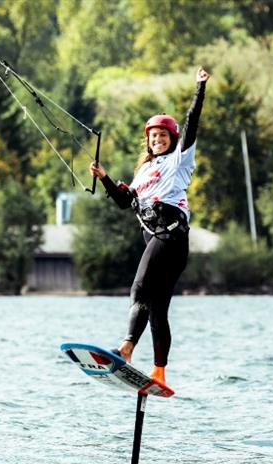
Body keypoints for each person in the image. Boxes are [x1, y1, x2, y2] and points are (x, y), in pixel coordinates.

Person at [88, 66, 210, 386]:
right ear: (148, 140)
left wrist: (199, 88)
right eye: (153, 136)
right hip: (159, 238)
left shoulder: (180, 159)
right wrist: (105, 179)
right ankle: (159, 372)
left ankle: (126, 347)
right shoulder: (143, 171)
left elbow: (192, 122)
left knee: (139, 288)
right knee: (156, 309)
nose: (158, 139)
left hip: (170, 235)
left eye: (163, 135)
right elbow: (122, 200)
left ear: (172, 139)